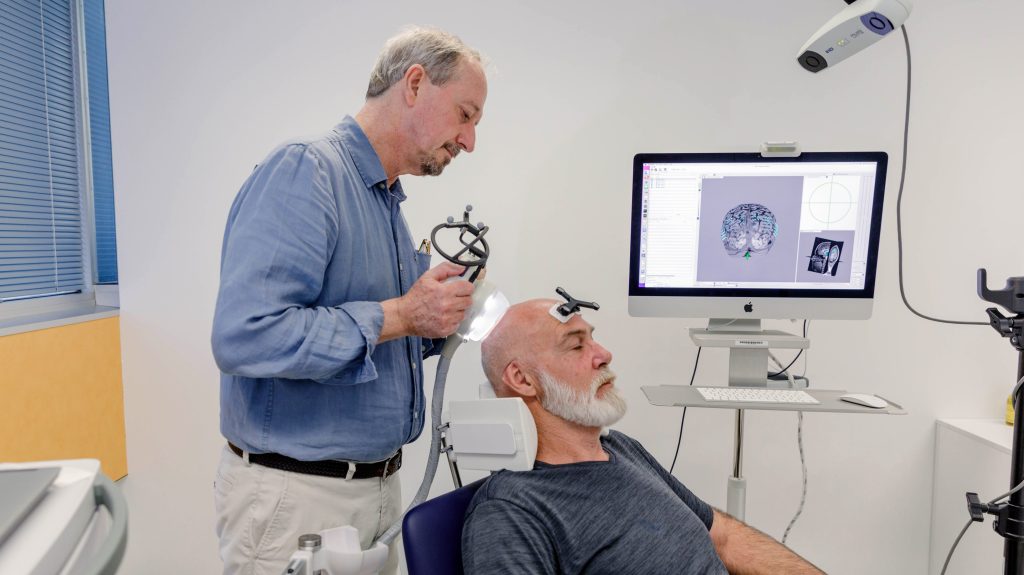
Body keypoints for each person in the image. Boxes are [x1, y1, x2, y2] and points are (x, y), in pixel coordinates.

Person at [210, 26, 487, 575]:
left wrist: (431, 322)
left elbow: (373, 338)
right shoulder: (306, 173)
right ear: (414, 84)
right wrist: (402, 313)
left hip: (374, 490)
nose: (470, 140)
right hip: (299, 497)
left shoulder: (385, 203)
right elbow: (246, 334)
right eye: (465, 114)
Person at [462, 299, 824, 574]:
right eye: (576, 346)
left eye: (593, 339)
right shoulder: (511, 510)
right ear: (522, 380)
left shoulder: (622, 449)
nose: (603, 355)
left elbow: (723, 535)